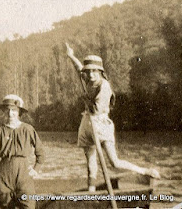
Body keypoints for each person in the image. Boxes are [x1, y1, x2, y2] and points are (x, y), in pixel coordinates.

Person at [66, 43, 160, 192]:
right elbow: (79, 68)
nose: (90, 75)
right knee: (90, 162)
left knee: (114, 162)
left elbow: (96, 110)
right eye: (88, 71)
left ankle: (145, 172)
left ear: (100, 71)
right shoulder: (87, 79)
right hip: (87, 122)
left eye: (94, 71)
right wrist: (71, 55)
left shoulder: (104, 87)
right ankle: (91, 193)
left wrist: (86, 100)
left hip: (101, 123)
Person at [0, 94, 45, 209]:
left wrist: (35, 170)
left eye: (14, 110)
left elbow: (41, 153)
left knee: (29, 205)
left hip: (24, 177)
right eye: (7, 110)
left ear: (19, 112)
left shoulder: (28, 130)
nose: (10, 113)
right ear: (4, 111)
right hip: (3, 178)